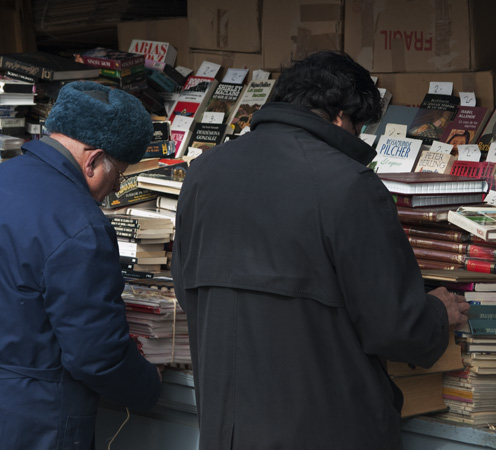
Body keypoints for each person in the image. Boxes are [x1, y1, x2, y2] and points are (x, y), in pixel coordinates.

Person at [171, 51, 469, 450]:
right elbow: (395, 327)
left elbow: (185, 290)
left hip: (226, 428)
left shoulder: (203, 173)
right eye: (359, 126)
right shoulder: (348, 184)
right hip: (329, 427)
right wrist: (436, 312)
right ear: (341, 116)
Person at [0, 81, 162, 450]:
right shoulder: (79, 223)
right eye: (117, 176)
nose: (112, 191)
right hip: (24, 428)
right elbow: (96, 355)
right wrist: (148, 384)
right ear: (92, 160)